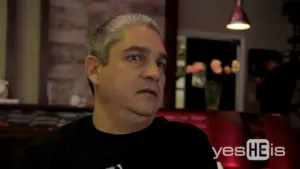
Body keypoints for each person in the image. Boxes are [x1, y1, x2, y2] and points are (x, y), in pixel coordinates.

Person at [14, 13, 217, 169]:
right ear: (95, 70)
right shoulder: (44, 157)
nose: (154, 73)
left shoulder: (189, 146)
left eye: (160, 63)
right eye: (135, 58)